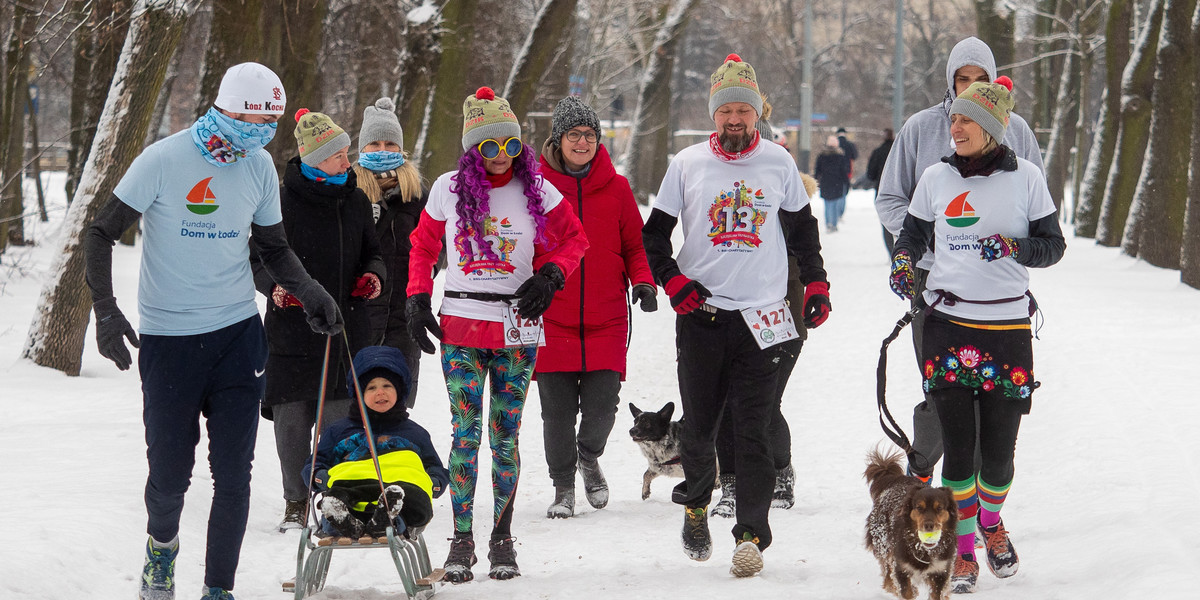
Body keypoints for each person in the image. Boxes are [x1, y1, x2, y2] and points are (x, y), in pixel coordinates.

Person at [84, 63, 342, 600]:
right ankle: (161, 551)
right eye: (255, 116)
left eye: (272, 120)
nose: (263, 130)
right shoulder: (163, 159)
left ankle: (218, 588)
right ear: (225, 107)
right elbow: (101, 231)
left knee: (233, 475)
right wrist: (105, 310)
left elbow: (274, 249)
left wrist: (313, 292)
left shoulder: (260, 168)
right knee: (171, 475)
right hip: (169, 341)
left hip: (236, 337)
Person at [641, 54, 829, 578]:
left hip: (763, 319)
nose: (735, 120)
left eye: (744, 110)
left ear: (757, 115)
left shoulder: (778, 162)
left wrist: (816, 281)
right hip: (702, 317)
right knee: (699, 431)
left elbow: (801, 229)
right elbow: (653, 235)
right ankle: (697, 505)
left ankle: (750, 535)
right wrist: (673, 280)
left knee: (752, 431)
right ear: (714, 116)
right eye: (726, 111)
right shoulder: (687, 165)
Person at [404, 86, 588, 583]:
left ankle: (501, 537)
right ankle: (462, 538)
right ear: (471, 148)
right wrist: (418, 295)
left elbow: (574, 240)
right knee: (466, 436)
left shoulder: (539, 190)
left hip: (517, 327)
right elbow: (421, 247)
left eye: (510, 144)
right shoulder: (447, 188)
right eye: (489, 146)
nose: (502, 156)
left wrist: (550, 276)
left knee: (504, 439)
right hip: (462, 328)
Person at [888, 77, 1065, 593]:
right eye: (954, 118)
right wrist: (903, 262)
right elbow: (913, 234)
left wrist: (1014, 246)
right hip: (946, 324)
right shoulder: (937, 179)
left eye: (964, 119)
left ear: (989, 127)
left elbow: (1052, 246)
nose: (954, 126)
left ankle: (990, 522)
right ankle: (964, 549)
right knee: (959, 448)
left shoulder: (1027, 178)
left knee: (1000, 454)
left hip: (1007, 327)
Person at [874, 36, 1046, 484]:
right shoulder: (919, 128)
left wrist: (1010, 245)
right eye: (962, 80)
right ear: (949, 81)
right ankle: (925, 464)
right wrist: (929, 242)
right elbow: (891, 199)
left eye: (980, 80)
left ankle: (972, 493)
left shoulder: (1020, 132)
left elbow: (1037, 207)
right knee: (943, 385)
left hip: (995, 282)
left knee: (989, 390)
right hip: (933, 277)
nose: (971, 89)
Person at [251, 108, 385, 532]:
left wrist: (373, 277)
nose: (348, 162)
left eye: (347, 153)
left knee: (337, 425)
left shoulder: (357, 200)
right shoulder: (279, 200)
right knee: (291, 425)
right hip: (291, 331)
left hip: (344, 329)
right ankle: (295, 500)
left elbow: (374, 253)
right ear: (313, 159)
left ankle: (333, 499)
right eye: (338, 156)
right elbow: (256, 259)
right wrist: (273, 288)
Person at [535, 96, 657, 519]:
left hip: (607, 315)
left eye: (589, 135)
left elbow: (634, 245)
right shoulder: (535, 187)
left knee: (603, 406)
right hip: (552, 314)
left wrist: (642, 281)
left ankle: (589, 457)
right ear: (559, 139)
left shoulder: (618, 187)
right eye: (574, 135)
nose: (582, 142)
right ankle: (563, 487)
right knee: (557, 413)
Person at [710, 170, 820, 519]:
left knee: (765, 405)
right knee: (725, 404)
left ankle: (781, 473)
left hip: (780, 320)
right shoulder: (730, 210)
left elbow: (808, 264)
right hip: (726, 319)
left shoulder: (790, 215)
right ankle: (730, 485)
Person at [302, 345, 449, 539]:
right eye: (371, 388)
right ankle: (341, 519)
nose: (380, 393)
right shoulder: (339, 431)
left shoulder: (415, 433)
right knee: (341, 491)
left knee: (411, 498)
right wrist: (320, 477)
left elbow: (434, 467)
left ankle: (387, 518)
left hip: (398, 488)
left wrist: (434, 482)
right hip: (353, 488)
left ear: (399, 390)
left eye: (387, 386)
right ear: (359, 393)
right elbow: (314, 465)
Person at [352, 97, 428, 409]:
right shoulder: (348, 190)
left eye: (390, 144)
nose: (383, 151)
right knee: (352, 407)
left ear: (400, 148)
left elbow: (432, 248)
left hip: (402, 319)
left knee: (394, 408)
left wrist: (422, 280)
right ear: (361, 148)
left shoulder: (418, 193)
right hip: (359, 318)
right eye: (374, 143)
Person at [866, 128, 895, 254]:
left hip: (883, 191)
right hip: (906, 192)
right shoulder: (900, 151)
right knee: (907, 225)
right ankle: (906, 253)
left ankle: (892, 253)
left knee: (886, 225)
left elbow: (870, 174)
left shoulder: (878, 152)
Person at [813, 136, 851, 232]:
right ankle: (833, 223)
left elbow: (817, 170)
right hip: (837, 183)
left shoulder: (822, 155)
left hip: (825, 182)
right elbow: (843, 171)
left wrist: (816, 180)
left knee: (827, 204)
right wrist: (846, 182)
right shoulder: (840, 156)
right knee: (834, 204)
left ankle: (828, 223)